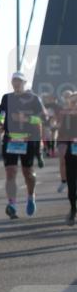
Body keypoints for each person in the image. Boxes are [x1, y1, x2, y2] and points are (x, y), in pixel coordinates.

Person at [0, 71, 48, 219]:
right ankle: (12, 204)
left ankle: (31, 196)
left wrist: (26, 118)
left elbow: (43, 118)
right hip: (10, 139)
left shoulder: (33, 98)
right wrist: (0, 122)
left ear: (24, 83)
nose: (16, 83)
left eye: (19, 81)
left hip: (28, 139)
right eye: (14, 81)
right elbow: (1, 113)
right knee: (11, 172)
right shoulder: (6, 98)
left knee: (28, 173)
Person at [58, 91, 77, 225]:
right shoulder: (67, 118)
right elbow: (62, 134)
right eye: (73, 102)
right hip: (72, 152)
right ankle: (73, 209)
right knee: (72, 184)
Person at [59, 90, 74, 194]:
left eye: (69, 96)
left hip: (74, 139)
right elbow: (54, 120)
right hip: (63, 138)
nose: (67, 98)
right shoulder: (60, 109)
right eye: (65, 97)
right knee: (63, 160)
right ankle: (64, 181)